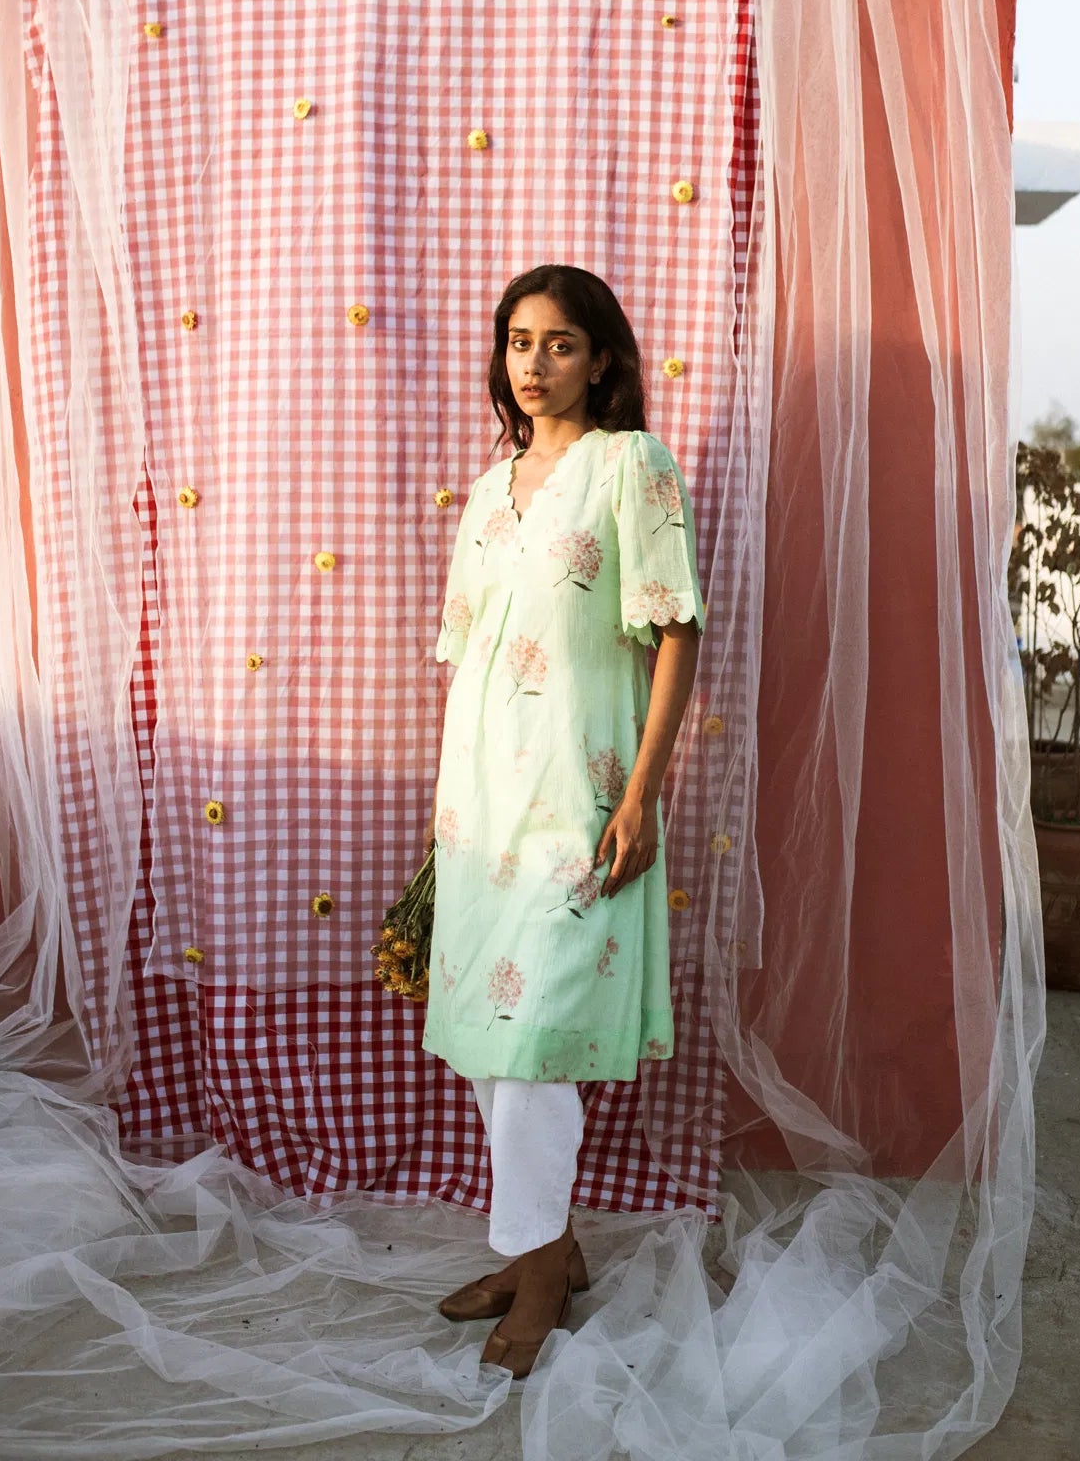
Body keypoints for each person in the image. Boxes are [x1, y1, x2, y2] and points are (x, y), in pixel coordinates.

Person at [421, 262, 705, 1380]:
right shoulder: (492, 491)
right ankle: (551, 1246)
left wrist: (639, 795)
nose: (532, 365)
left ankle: (533, 1279)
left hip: (579, 795)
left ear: (600, 359)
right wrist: (446, 817)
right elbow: (471, 662)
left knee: (534, 1045)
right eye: (517, 343)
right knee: (494, 1045)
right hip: (482, 803)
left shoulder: (628, 468)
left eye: (557, 345)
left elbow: (676, 632)